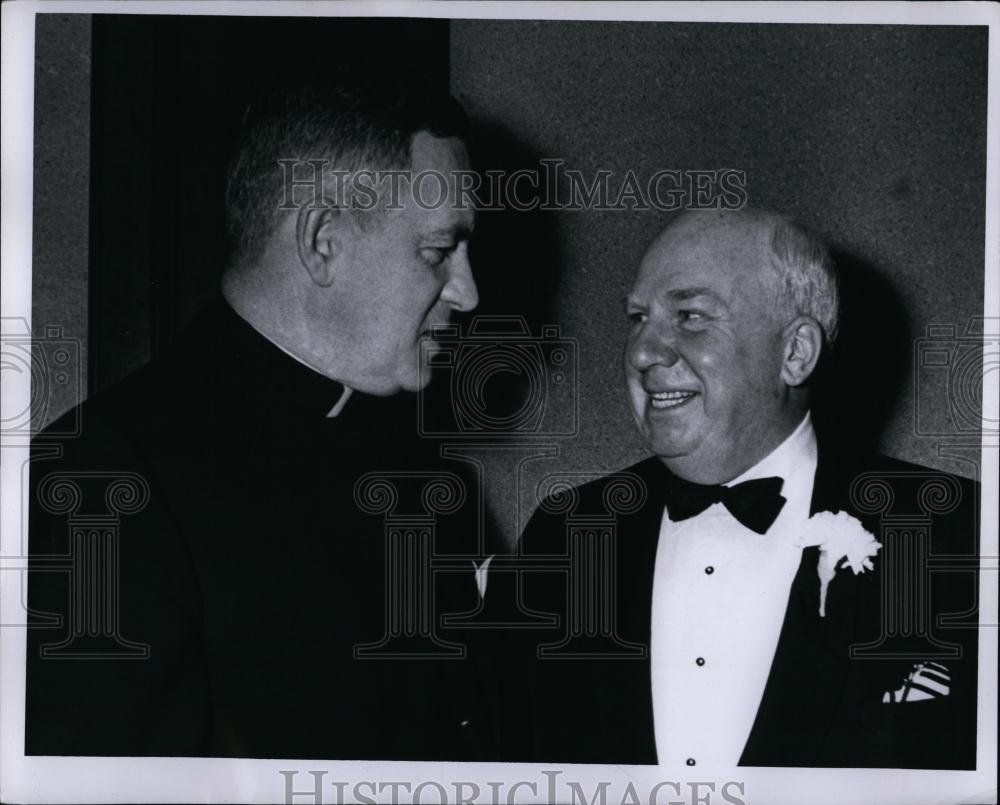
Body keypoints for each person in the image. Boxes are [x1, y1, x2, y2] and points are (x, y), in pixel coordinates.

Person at [26, 75, 496, 759]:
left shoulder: (429, 482)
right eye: (437, 251)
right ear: (323, 241)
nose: (469, 291)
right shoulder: (103, 474)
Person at [513, 209, 979, 768]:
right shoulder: (564, 536)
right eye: (637, 317)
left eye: (690, 316)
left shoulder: (959, 536)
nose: (642, 351)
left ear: (795, 353)